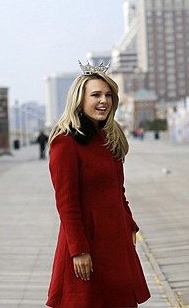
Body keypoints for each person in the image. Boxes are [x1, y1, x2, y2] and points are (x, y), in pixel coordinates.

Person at [46, 61, 150, 308]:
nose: (103, 100)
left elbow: (118, 192)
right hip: (87, 243)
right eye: (95, 95)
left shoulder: (110, 138)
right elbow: (66, 203)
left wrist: (130, 224)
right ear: (79, 99)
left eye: (108, 95)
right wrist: (78, 249)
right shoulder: (65, 143)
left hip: (115, 240)